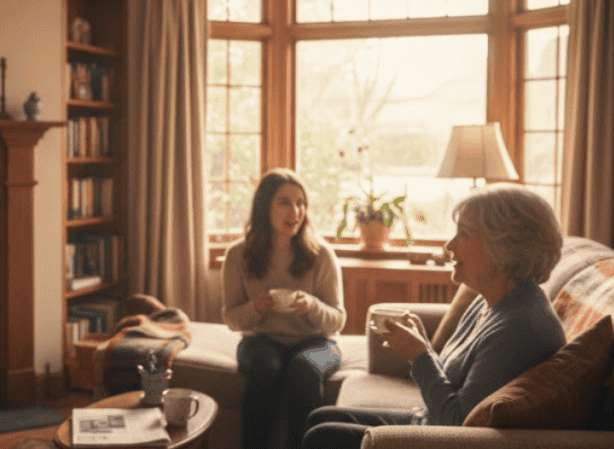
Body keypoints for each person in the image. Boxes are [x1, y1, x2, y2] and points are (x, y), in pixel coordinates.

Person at [302, 184, 566, 448]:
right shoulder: (489, 300)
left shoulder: (521, 328)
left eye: (463, 234)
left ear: (504, 247)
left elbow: (457, 427)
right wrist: (423, 346)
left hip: (440, 437)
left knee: (322, 436)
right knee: (320, 418)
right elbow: (453, 383)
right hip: (428, 421)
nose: (449, 245)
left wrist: (419, 355)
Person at [222, 168, 346, 449]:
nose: (296, 211)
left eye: (301, 203)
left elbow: (338, 320)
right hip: (261, 340)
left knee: (303, 370)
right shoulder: (237, 255)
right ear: (264, 206)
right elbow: (231, 318)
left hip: (318, 343)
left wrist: (313, 307)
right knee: (266, 367)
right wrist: (255, 307)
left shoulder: (321, 254)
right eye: (285, 202)